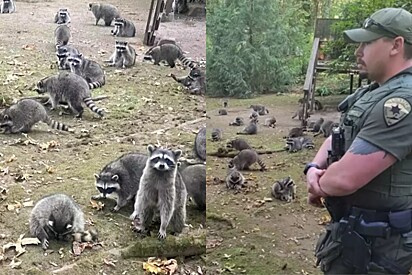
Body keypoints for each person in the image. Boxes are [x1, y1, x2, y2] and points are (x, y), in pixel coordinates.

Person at [304, 7, 412, 274]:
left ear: (396, 45)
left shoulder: (400, 103)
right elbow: (338, 134)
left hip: (382, 246)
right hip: (357, 235)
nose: (358, 51)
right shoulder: (375, 91)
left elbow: (345, 179)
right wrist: (313, 168)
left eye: (367, 42)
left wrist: (320, 185)